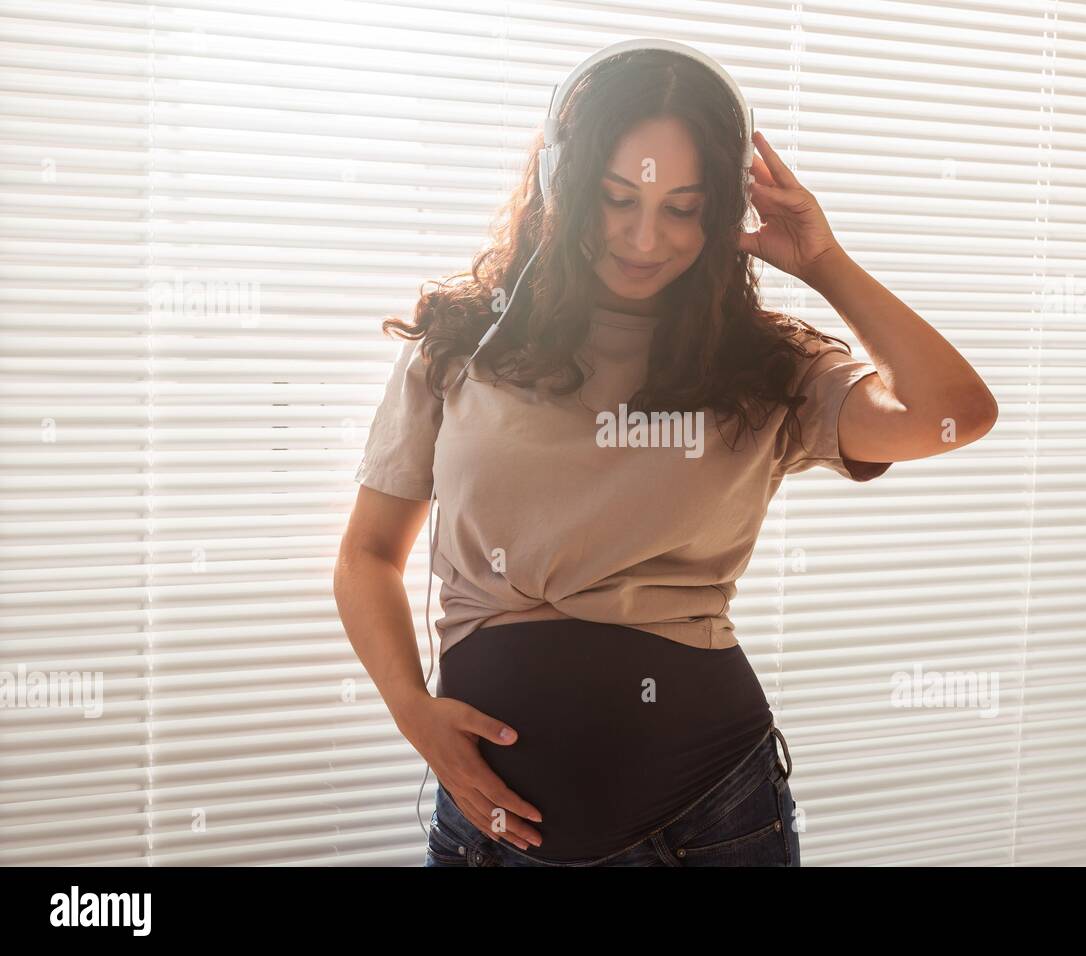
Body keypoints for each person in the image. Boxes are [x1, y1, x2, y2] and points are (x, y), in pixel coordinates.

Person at [334, 47, 998, 867]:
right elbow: (368, 555)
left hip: (715, 821)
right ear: (557, 183)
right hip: (490, 833)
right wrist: (411, 710)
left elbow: (954, 415)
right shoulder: (463, 341)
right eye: (617, 199)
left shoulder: (765, 368)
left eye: (685, 208)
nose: (646, 237)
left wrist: (825, 263)